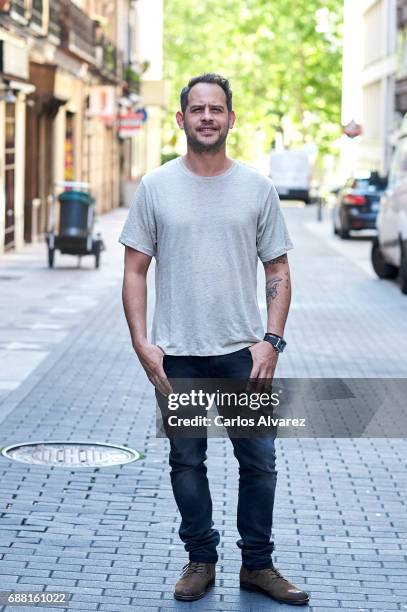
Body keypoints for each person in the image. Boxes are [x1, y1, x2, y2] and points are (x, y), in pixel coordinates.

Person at [119, 73, 309, 605]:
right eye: (197, 109)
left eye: (216, 109)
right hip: (175, 355)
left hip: (242, 354)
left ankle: (258, 565)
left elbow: (278, 268)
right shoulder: (156, 186)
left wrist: (272, 341)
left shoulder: (257, 188)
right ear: (181, 119)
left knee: (260, 464)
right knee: (187, 463)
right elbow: (135, 270)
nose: (207, 117)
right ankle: (200, 559)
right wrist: (142, 342)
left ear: (231, 118)